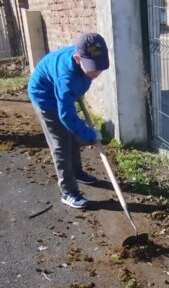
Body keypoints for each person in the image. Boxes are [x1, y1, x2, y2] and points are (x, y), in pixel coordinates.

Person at [28, 33, 110, 209]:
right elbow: (65, 115)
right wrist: (89, 134)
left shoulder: (85, 54)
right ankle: (68, 192)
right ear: (77, 59)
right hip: (45, 96)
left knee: (72, 134)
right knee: (61, 144)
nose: (96, 73)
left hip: (61, 91)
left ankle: (77, 172)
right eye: (92, 69)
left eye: (100, 67)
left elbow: (73, 95)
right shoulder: (66, 78)